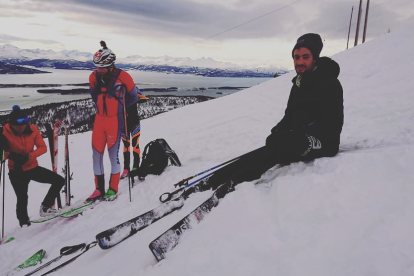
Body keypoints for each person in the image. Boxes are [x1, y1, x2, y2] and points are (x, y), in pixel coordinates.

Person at [186, 33, 344, 196]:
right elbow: (290, 116)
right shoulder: (299, 83)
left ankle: (235, 183)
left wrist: (297, 136)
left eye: (305, 57)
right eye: (296, 57)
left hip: (325, 142)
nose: (300, 62)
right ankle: (214, 180)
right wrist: (278, 130)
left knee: (277, 148)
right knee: (267, 148)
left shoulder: (329, 83)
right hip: (300, 137)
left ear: (315, 58)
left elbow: (332, 125)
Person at [87, 41, 139, 202]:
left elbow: (133, 96)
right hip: (99, 122)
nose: (99, 70)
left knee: (112, 156)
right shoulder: (93, 77)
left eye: (101, 67)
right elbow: (94, 96)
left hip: (114, 122)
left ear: (110, 64)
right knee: (96, 156)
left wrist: (120, 109)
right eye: (97, 66)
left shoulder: (123, 76)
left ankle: (113, 189)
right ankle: (98, 189)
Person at [1, 105, 65, 227]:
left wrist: (29, 156)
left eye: (25, 123)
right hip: (16, 171)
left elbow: (43, 148)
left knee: (58, 180)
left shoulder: (33, 130)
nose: (23, 127)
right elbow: (2, 155)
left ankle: (45, 207)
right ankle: (24, 223)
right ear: (12, 124)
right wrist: (11, 155)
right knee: (22, 198)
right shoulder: (4, 132)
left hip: (32, 168)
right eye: (19, 125)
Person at [120, 94, 148, 180]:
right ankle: (126, 168)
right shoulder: (118, 92)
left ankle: (135, 166)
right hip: (123, 123)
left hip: (134, 122)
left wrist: (135, 95)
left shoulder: (132, 90)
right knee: (126, 146)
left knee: (135, 144)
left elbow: (144, 98)